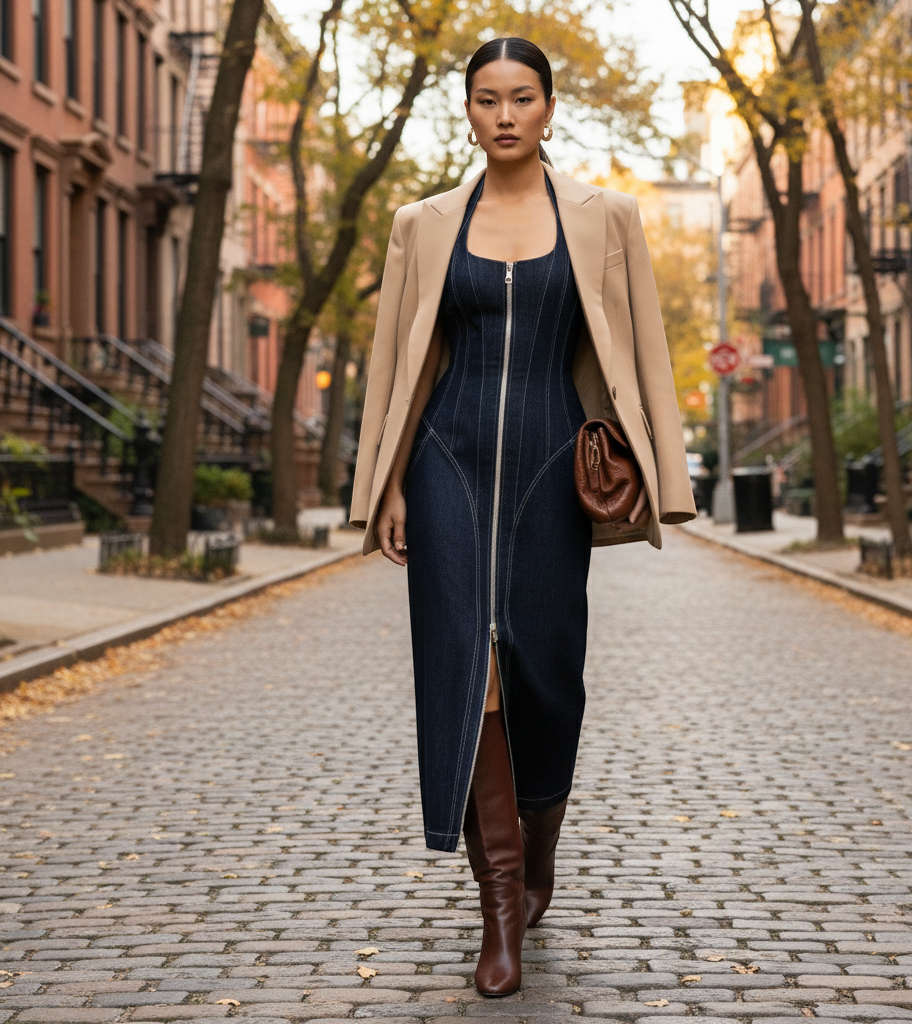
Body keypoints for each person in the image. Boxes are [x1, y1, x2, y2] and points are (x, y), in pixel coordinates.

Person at [350, 37, 696, 997]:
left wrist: (660, 468)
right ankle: (499, 901)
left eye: (523, 98)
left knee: (547, 675)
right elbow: (394, 361)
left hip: (551, 465)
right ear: (466, 111)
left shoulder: (605, 216)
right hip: (447, 462)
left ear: (549, 109)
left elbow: (644, 352)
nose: (505, 115)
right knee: (472, 669)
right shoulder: (422, 224)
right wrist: (384, 483)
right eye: (487, 99)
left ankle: (540, 839)